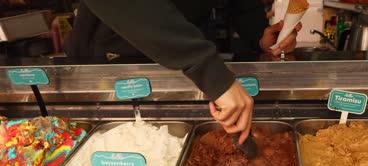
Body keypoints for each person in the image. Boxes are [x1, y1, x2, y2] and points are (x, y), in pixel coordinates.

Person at [65, 0, 301, 144]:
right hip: (118, 51)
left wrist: (259, 36)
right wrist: (206, 67)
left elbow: (240, 5)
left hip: (190, 46)